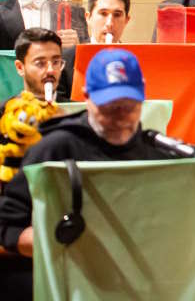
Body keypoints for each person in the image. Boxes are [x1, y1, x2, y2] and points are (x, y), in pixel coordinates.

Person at [0, 48, 161, 299]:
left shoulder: (157, 154)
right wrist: (68, 241)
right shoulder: (54, 147)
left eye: (128, 107)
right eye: (108, 108)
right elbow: (8, 229)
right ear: (86, 97)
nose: (119, 118)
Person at [12, 28, 66, 102]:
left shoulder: (78, 111)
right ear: (20, 67)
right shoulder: (6, 111)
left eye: (55, 62)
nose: (50, 70)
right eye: (40, 63)